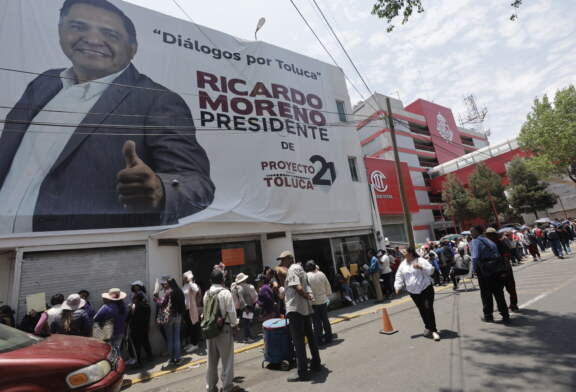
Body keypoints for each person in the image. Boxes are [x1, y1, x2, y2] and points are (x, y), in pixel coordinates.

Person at [0, 0, 214, 233]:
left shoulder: (157, 100)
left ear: (133, 49)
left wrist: (161, 188)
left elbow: (198, 183)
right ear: (60, 31)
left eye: (110, 34)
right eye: (79, 27)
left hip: (77, 258)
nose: (92, 40)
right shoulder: (43, 82)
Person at [278, 250, 321, 382]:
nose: (281, 262)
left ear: (289, 259)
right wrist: (308, 297)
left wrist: (306, 296)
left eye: (283, 259)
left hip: (295, 309)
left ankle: (302, 372)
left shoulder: (292, 269)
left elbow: (297, 287)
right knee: (310, 336)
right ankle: (316, 363)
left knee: (298, 342)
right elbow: (306, 286)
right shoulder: (300, 269)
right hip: (304, 309)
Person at [394, 247, 440, 341]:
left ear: (410, 253)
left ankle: (434, 330)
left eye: (404, 251)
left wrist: (421, 267)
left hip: (425, 288)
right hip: (413, 291)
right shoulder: (403, 264)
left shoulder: (420, 260)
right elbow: (399, 276)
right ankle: (428, 327)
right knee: (422, 309)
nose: (402, 253)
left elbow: (431, 270)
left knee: (428, 308)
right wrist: (397, 286)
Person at [204, 268, 239, 392]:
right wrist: (235, 325)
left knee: (211, 360)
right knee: (227, 359)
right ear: (223, 280)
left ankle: (211, 387)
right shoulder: (225, 293)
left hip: (210, 330)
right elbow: (231, 311)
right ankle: (227, 386)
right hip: (224, 329)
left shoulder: (207, 293)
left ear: (210, 281)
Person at [470, 226, 510, 323]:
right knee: (498, 292)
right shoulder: (489, 241)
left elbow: (475, 257)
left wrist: (474, 270)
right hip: (495, 268)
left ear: (476, 232)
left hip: (484, 269)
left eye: (472, 231)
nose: (471, 234)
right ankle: (505, 314)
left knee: (486, 294)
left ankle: (488, 316)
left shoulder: (476, 241)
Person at [485, 228, 519, 312]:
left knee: (510, 288)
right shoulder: (490, 245)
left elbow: (506, 257)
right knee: (498, 290)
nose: (488, 237)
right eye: (487, 235)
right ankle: (501, 305)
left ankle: (513, 304)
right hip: (496, 270)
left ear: (493, 235)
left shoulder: (501, 244)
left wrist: (506, 270)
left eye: (489, 235)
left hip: (504, 269)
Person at [154, 276, 185, 366]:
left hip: (169, 318)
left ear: (169, 284)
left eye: (167, 283)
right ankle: (178, 359)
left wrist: (155, 298)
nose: (165, 285)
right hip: (178, 316)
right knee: (176, 338)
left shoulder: (168, 292)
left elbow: (162, 303)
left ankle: (172, 359)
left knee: (170, 339)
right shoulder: (180, 291)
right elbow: (183, 305)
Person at [305, 260, 333, 345]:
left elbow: (306, 288)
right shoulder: (321, 274)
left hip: (313, 302)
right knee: (325, 320)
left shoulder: (307, 276)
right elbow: (327, 285)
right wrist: (328, 295)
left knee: (316, 322)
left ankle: (319, 340)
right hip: (323, 300)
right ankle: (329, 338)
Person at [127, 292, 153, 368]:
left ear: (136, 299)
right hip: (145, 328)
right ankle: (150, 357)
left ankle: (139, 362)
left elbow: (128, 318)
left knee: (137, 346)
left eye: (133, 298)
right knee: (146, 343)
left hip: (135, 329)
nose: (132, 300)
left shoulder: (134, 307)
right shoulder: (147, 306)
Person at [231, 272, 258, 343]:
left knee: (247, 322)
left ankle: (249, 335)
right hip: (247, 307)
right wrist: (245, 308)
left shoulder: (236, 287)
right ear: (244, 280)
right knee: (247, 322)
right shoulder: (243, 287)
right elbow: (241, 299)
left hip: (244, 307)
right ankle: (246, 337)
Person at [182, 270, 201, 353]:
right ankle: (192, 343)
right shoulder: (184, 286)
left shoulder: (192, 285)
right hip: (186, 309)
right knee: (189, 327)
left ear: (187, 278)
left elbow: (197, 290)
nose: (182, 278)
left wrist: (190, 281)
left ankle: (195, 344)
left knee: (193, 326)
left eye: (184, 277)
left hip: (191, 309)